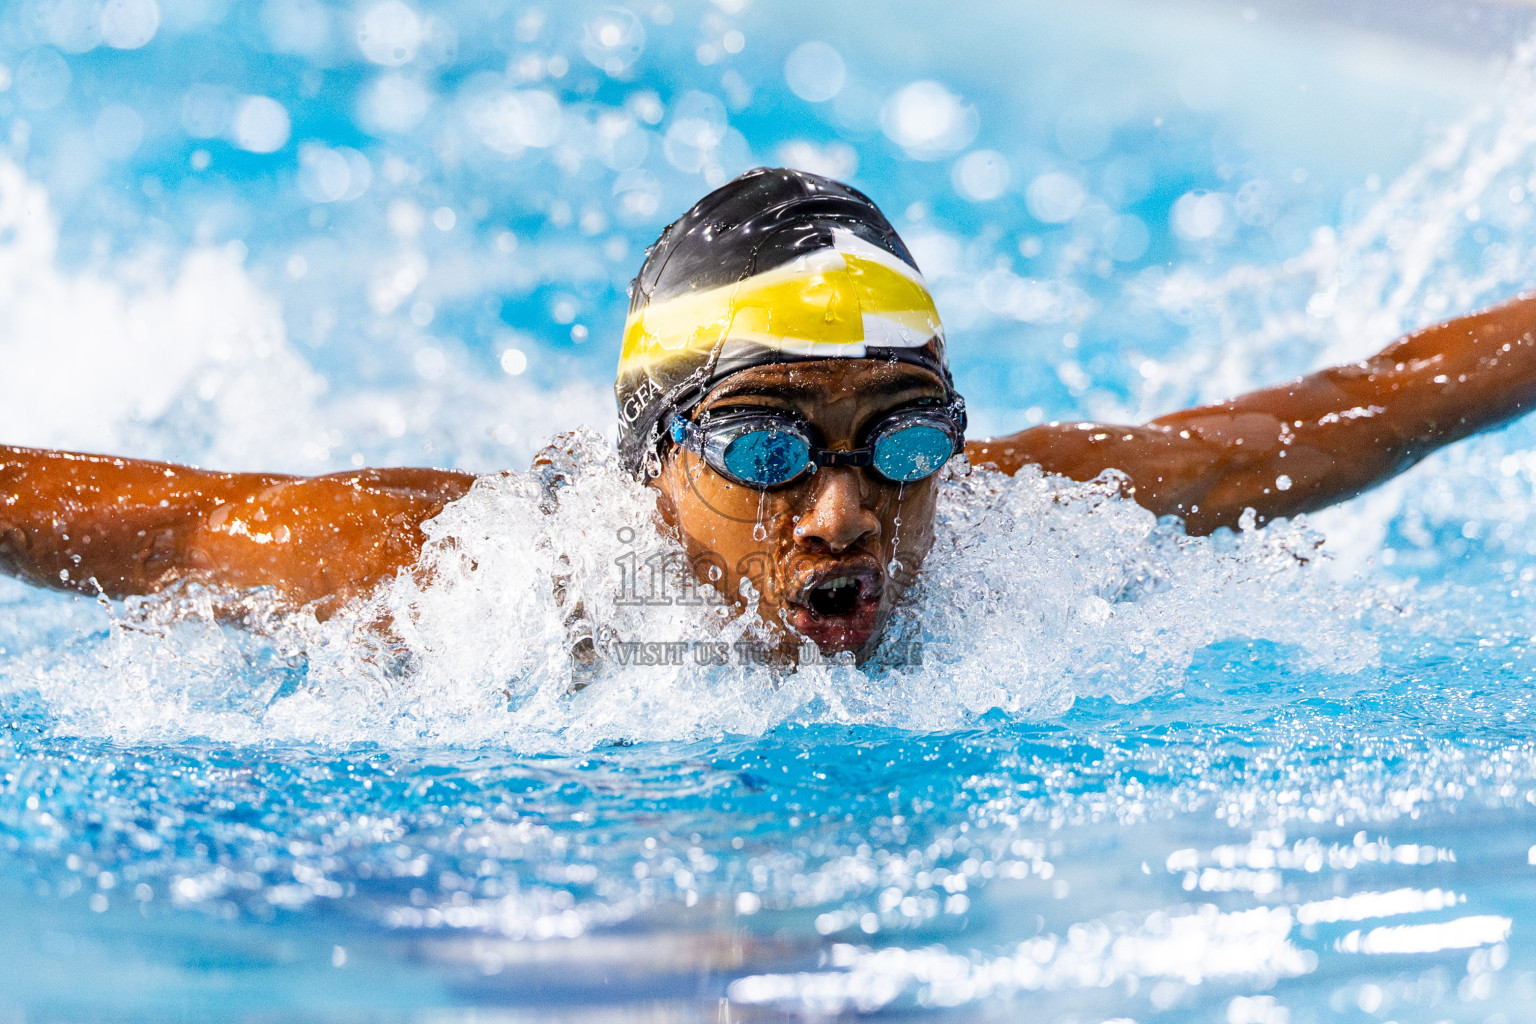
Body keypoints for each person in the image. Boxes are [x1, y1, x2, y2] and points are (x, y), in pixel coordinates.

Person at [2, 168, 1534, 661]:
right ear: (654, 458)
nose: (845, 510)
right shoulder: (481, 586)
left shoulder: (1027, 524)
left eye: (906, 438)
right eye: (764, 447)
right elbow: (185, 523)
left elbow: (1348, 410)